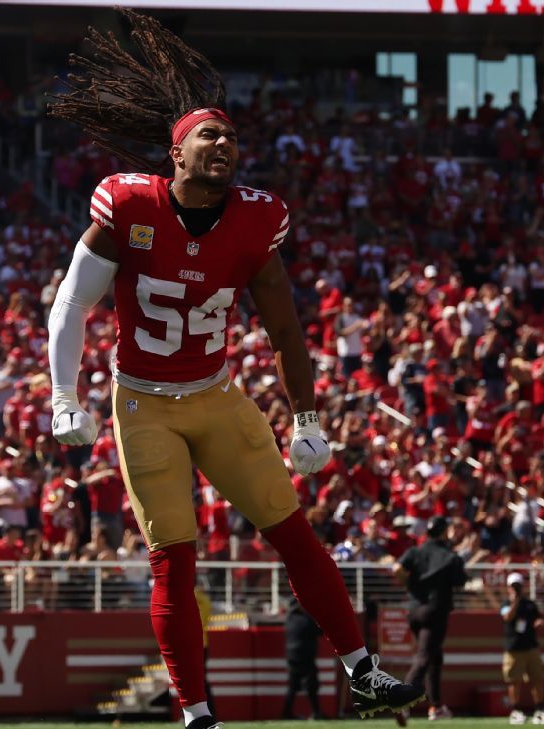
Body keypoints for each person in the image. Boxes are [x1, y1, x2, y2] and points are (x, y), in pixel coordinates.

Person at [43, 11, 422, 729]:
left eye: (232, 136)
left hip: (216, 395)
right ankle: (195, 710)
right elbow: (71, 302)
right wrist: (66, 394)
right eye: (208, 135)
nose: (224, 144)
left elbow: (283, 326)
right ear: (175, 153)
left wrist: (306, 416)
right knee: (174, 559)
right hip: (143, 402)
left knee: (294, 532)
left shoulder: (257, 218)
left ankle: (361, 671)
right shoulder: (128, 203)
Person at [393, 515, 467, 721]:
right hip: (435, 611)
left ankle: (436, 706)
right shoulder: (449, 555)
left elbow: (396, 568)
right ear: (444, 532)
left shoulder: (415, 551)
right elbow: (461, 580)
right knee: (425, 656)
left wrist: (408, 586)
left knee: (434, 656)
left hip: (414, 611)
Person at [501, 572, 544, 725]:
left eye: (518, 586)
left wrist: (540, 622)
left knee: (537, 679)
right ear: (508, 588)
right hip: (514, 648)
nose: (516, 589)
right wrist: (514, 602)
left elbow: (540, 618)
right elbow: (507, 617)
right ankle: (515, 710)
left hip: (531, 647)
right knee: (514, 681)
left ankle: (540, 709)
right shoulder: (505, 604)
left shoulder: (530, 604)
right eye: (513, 586)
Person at [282, 597, 324, 720]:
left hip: (292, 657)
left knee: (292, 687)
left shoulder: (289, 620)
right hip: (306, 657)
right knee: (311, 686)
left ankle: (286, 713)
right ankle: (316, 713)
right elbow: (320, 631)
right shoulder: (306, 620)